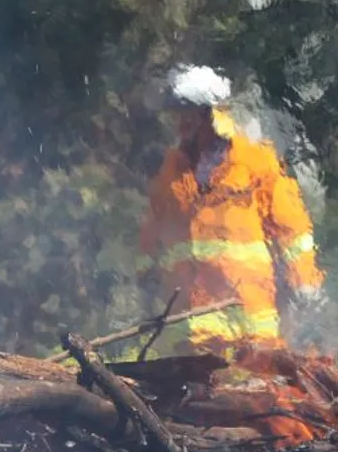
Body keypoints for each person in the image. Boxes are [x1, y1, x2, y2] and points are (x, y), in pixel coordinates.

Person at [138, 65, 326, 362]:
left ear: (208, 113)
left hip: (248, 316)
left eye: (186, 111)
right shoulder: (171, 170)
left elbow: (293, 232)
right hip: (191, 325)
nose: (178, 120)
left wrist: (306, 284)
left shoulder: (255, 160)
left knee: (257, 397)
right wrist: (145, 278)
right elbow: (153, 232)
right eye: (176, 112)